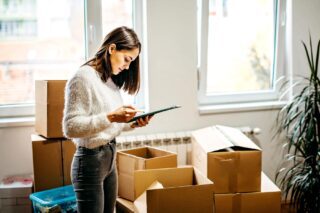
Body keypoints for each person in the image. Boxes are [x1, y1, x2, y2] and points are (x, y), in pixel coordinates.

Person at [62, 26, 152, 213]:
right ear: (112, 49)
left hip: (109, 157)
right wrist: (112, 116)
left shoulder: (109, 80)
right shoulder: (82, 78)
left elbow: (107, 125)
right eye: (127, 59)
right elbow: (70, 127)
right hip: (90, 162)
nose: (128, 66)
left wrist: (132, 123)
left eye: (132, 61)